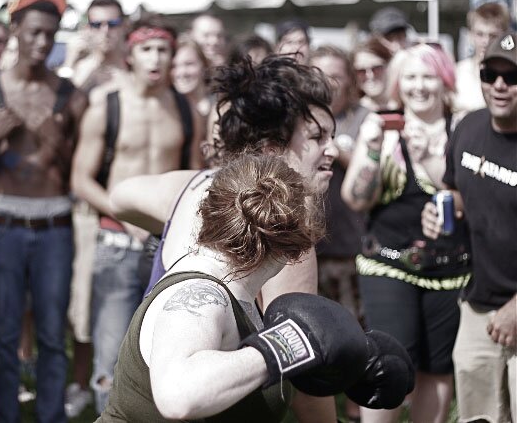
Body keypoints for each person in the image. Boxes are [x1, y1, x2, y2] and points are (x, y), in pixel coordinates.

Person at [109, 55, 341, 423]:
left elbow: (119, 195)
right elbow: (301, 371)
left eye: (333, 135)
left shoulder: (192, 187)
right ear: (270, 151)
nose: (334, 150)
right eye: (317, 137)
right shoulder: (276, 237)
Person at [99, 153, 412, 422]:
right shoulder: (199, 297)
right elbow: (179, 396)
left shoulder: (236, 291)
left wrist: (349, 362)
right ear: (294, 250)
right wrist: (288, 346)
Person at [72, 14, 203, 414]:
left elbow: (193, 178)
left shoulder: (186, 111)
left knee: (167, 348)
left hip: (167, 245)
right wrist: (125, 216)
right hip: (114, 242)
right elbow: (81, 179)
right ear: (130, 54)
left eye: (164, 49)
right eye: (147, 48)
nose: (156, 58)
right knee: (110, 349)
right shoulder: (106, 106)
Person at [0, 0, 88, 421]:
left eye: (50, 34)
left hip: (55, 225)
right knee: (3, 333)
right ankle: (5, 416)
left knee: (53, 336)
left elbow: (86, 169)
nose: (42, 42)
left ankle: (50, 415)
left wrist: (58, 140)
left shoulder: (70, 95)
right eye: (34, 32)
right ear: (15, 29)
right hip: (3, 225)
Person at [341, 43, 472, 423]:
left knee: (437, 368)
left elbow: (477, 197)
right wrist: (368, 150)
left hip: (451, 272)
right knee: (389, 362)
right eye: (411, 77)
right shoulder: (384, 126)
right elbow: (355, 198)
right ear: (399, 83)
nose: (419, 86)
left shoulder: (464, 127)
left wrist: (429, 159)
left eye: (428, 76)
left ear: (444, 79)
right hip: (389, 265)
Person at [422, 32, 517, 423]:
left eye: (512, 77)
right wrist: (440, 211)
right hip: (478, 306)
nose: (499, 84)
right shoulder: (468, 128)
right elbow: (455, 190)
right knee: (476, 417)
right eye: (489, 73)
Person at [63, 0, 130, 417]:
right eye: (96, 24)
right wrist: (80, 64)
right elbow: (62, 112)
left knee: (113, 303)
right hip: (84, 202)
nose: (105, 32)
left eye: (112, 24)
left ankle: (115, 382)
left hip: (122, 200)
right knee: (82, 302)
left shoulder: (131, 72)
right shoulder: (77, 73)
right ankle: (81, 381)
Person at [310, 45, 369, 423]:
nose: (329, 83)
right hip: (309, 249)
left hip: (351, 249)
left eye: (336, 75)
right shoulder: (301, 120)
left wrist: (331, 148)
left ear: (350, 79)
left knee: (355, 335)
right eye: (320, 75)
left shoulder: (363, 119)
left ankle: (355, 411)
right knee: (315, 339)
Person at [455, 2, 510, 113]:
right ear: (470, 35)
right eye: (480, 34)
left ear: (504, 36)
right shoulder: (458, 72)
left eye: (493, 35)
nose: (486, 41)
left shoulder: (512, 73)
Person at [351, 38, 393, 112]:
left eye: (376, 68)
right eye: (361, 71)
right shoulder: (350, 114)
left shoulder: (410, 108)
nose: (370, 75)